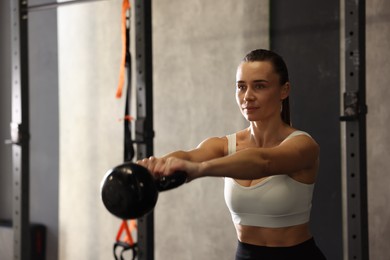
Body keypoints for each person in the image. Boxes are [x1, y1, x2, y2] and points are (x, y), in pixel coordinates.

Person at [137, 49, 326, 260]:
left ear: (284, 90)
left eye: (260, 86)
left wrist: (200, 170)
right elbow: (190, 156)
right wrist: (154, 165)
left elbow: (264, 162)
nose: (248, 96)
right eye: (241, 87)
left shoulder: (304, 145)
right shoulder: (225, 145)